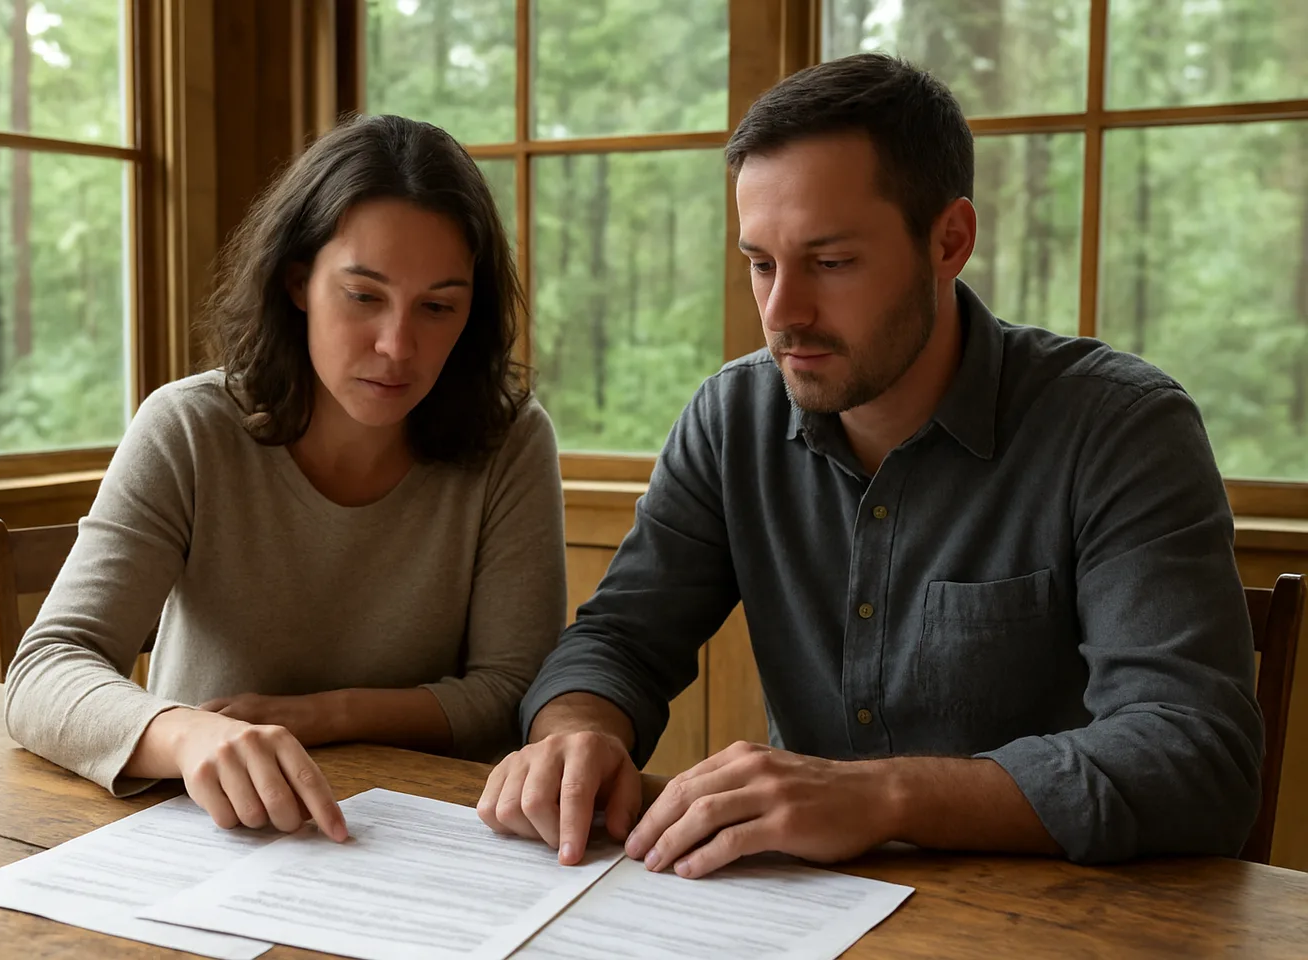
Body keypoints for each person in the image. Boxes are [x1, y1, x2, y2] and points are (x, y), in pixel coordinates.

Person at [478, 53, 1263, 877]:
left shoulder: (1120, 429)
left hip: (1053, 916)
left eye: (831, 262)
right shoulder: (732, 419)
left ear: (949, 240)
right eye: (760, 262)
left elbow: (1194, 754)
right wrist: (576, 732)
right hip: (802, 913)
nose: (782, 314)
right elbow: (623, 640)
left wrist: (878, 797)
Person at [6, 114, 567, 843]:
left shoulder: (511, 442)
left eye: (437, 307)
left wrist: (317, 715)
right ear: (298, 279)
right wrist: (188, 736)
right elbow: (46, 670)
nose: (398, 346)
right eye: (363, 295)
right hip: (201, 830)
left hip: (427, 840)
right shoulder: (187, 428)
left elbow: (510, 691)